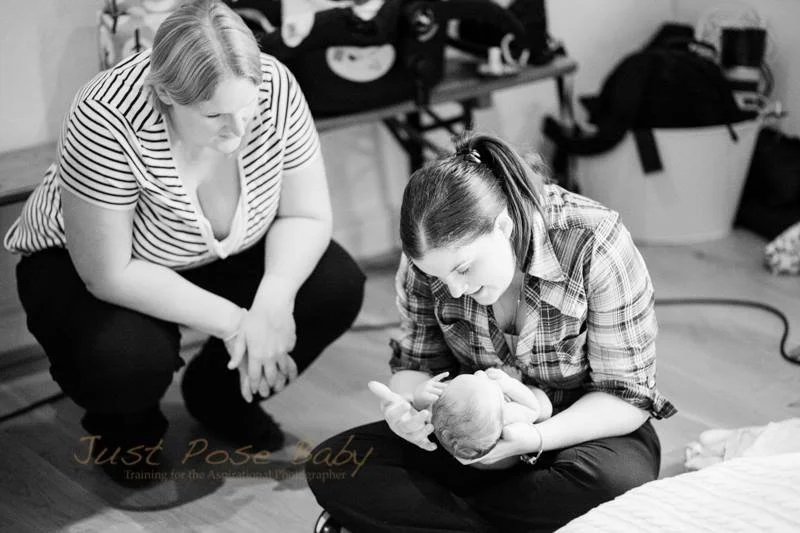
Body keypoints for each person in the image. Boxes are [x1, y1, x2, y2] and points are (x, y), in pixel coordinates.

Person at [3, 0, 364, 487]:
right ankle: (128, 432)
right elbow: (108, 272)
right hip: (93, 262)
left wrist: (273, 302)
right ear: (164, 95)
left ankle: (220, 396)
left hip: (213, 249)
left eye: (247, 108)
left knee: (335, 284)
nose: (238, 131)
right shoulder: (105, 114)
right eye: (215, 115)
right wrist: (239, 324)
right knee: (123, 360)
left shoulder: (276, 86)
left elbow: (307, 213)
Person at [306, 131, 676, 532]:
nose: (454, 289)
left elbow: (626, 397)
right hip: (470, 435)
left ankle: (420, 521)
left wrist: (533, 439)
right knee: (336, 464)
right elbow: (417, 366)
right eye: (438, 276)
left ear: (504, 226)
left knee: (614, 484)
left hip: (579, 432)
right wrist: (407, 410)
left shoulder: (593, 241)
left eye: (464, 269)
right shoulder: (429, 261)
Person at [374, 367, 552, 468]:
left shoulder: (445, 414)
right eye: (483, 380)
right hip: (508, 460)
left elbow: (424, 413)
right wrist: (510, 385)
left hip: (476, 458)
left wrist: (420, 395)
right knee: (544, 406)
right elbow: (535, 408)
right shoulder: (505, 415)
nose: (480, 373)